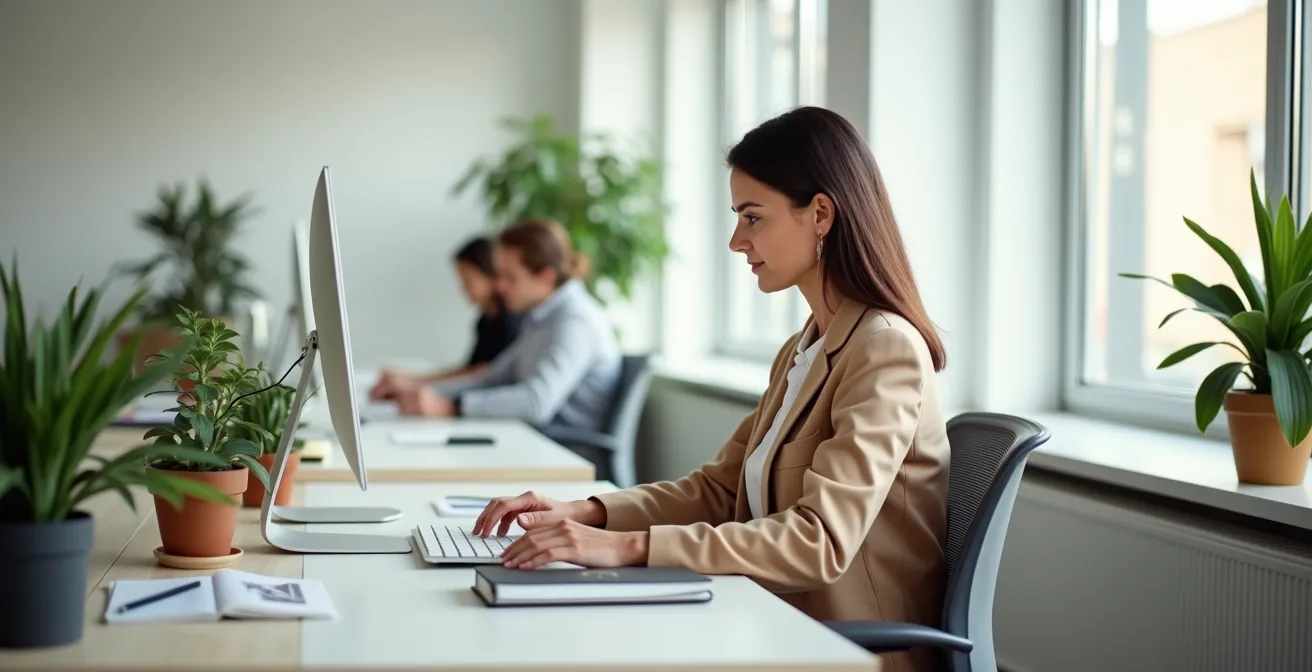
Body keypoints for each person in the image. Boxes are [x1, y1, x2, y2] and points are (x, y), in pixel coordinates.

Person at [471, 107, 950, 672]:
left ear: (820, 214)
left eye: (753, 218)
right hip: (771, 618)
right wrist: (585, 512)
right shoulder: (807, 346)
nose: (736, 241)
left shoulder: (883, 348)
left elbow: (819, 541)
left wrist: (626, 549)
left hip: (844, 648)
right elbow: (720, 492)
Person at [390, 219, 622, 446]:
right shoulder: (540, 317)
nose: (499, 286)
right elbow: (490, 377)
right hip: (529, 440)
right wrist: (422, 391)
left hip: (564, 452)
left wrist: (452, 406)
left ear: (546, 277)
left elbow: (536, 402)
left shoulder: (575, 321)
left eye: (510, 277)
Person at [370, 236, 522, 397]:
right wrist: (409, 379)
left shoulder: (510, 321)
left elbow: (481, 373)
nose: (462, 288)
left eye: (467, 279)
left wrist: (412, 382)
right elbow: (469, 369)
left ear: (491, 276)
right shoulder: (485, 320)